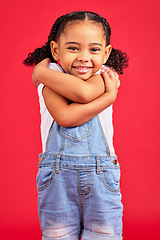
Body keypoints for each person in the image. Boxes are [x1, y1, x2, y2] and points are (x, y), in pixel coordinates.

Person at [23, 11, 128, 240]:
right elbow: (66, 116)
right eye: (73, 48)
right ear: (55, 50)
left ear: (106, 52)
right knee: (57, 236)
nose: (83, 57)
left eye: (94, 49)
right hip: (57, 180)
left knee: (105, 236)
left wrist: (39, 71)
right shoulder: (52, 76)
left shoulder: (103, 76)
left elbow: (82, 92)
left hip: (101, 177)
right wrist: (109, 98)